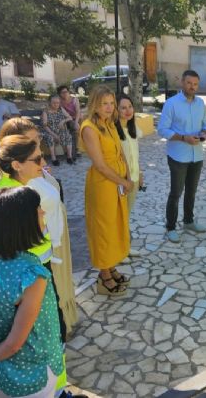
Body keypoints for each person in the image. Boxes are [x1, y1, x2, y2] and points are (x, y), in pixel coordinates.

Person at [0, 187, 64, 398]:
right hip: (32, 378)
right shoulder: (31, 274)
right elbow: (15, 343)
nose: (43, 213)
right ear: (21, 223)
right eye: (39, 210)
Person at [0, 117, 79, 334]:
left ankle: (65, 323)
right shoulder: (15, 186)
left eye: (37, 141)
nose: (37, 148)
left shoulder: (32, 167)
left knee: (60, 286)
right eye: (29, 141)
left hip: (52, 240)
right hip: (41, 250)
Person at [80, 85, 131, 296]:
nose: (109, 108)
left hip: (116, 183)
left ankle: (110, 266)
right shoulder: (89, 128)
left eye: (111, 103)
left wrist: (127, 175)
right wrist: (124, 181)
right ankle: (104, 274)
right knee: (103, 229)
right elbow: (100, 165)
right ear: (95, 105)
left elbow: (120, 152)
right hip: (102, 186)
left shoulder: (109, 123)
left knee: (114, 226)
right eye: (104, 104)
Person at [157, 70, 206, 243]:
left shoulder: (201, 103)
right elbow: (162, 129)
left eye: (195, 84)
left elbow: (205, 124)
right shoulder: (171, 104)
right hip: (178, 156)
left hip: (197, 155)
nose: (192, 87)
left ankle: (188, 221)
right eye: (189, 83)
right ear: (182, 82)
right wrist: (183, 138)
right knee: (176, 192)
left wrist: (203, 132)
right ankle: (170, 227)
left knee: (192, 192)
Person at [116, 94, 144, 213]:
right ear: (116, 111)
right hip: (120, 180)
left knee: (127, 213)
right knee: (119, 215)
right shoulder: (113, 131)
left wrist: (140, 173)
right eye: (123, 108)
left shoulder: (133, 129)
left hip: (134, 178)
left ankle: (126, 232)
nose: (128, 110)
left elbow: (134, 155)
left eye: (130, 106)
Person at [41, 94, 74, 166]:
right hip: (49, 131)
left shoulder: (61, 109)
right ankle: (54, 158)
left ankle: (69, 157)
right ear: (50, 102)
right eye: (54, 103)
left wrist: (63, 121)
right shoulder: (45, 112)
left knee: (68, 135)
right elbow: (45, 126)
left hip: (60, 130)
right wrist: (54, 135)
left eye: (58, 103)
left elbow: (70, 117)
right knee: (50, 138)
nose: (56, 104)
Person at [57, 85, 81, 160]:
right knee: (70, 131)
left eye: (66, 92)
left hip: (75, 118)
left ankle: (75, 150)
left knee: (75, 129)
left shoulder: (74, 100)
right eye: (62, 92)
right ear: (59, 94)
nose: (64, 94)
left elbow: (78, 111)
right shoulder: (59, 101)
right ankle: (72, 152)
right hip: (66, 120)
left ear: (68, 92)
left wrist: (76, 122)